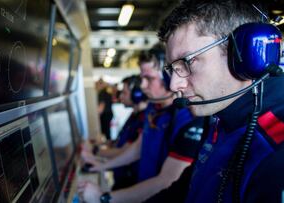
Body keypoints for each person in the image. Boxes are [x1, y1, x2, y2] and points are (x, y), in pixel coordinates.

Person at [156, 0, 284, 202]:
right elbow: (185, 189)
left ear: (243, 54)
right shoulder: (219, 117)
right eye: (173, 69)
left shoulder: (276, 146)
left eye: (187, 62)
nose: (174, 85)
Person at [78, 47, 205, 203]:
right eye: (141, 78)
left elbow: (167, 181)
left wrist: (104, 198)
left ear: (168, 79)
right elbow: (138, 149)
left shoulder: (188, 117)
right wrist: (100, 166)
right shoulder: (154, 109)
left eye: (149, 79)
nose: (143, 85)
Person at [82, 75, 148, 190]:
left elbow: (125, 151)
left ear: (137, 95)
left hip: (130, 183)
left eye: (124, 93)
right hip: (121, 176)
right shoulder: (134, 115)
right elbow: (121, 142)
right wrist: (102, 145)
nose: (120, 96)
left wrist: (95, 152)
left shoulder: (144, 119)